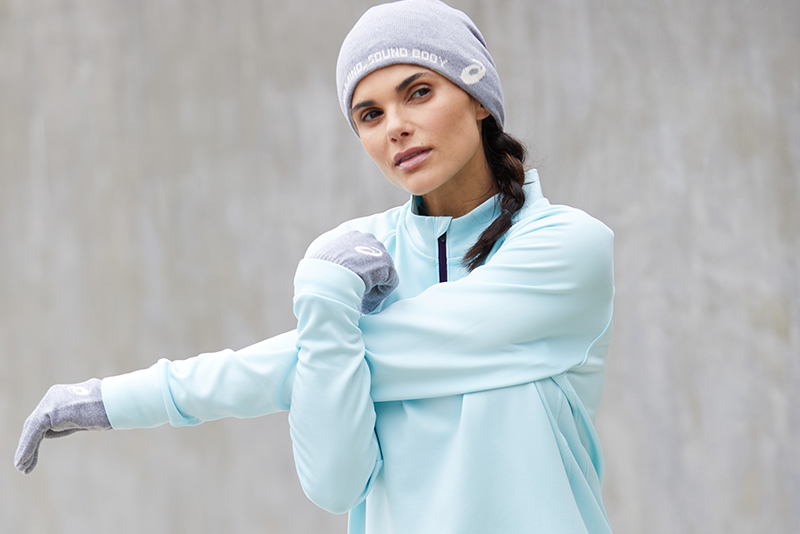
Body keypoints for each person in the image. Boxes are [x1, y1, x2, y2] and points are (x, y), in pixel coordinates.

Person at [15, 1, 615, 533]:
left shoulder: (565, 249)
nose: (396, 127)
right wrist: (328, 303)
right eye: (370, 114)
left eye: (419, 92)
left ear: (479, 99)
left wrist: (114, 399)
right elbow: (334, 485)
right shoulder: (356, 261)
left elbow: (292, 365)